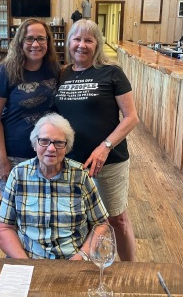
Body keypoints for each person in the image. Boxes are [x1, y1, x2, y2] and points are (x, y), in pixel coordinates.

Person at [55, 19, 139, 261]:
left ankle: (130, 270)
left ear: (97, 45)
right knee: (80, 218)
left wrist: (105, 146)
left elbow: (131, 117)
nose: (82, 45)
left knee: (117, 218)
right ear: (69, 43)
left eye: (88, 40)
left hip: (109, 160)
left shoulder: (112, 72)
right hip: (71, 162)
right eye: (77, 39)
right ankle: (85, 269)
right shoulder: (62, 74)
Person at [0, 113, 109, 259]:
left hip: (72, 261)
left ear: (66, 147)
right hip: (28, 258)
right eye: (44, 141)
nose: (51, 148)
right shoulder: (18, 175)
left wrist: (81, 257)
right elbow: (5, 228)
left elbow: (101, 224)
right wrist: (25, 262)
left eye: (58, 143)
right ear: (35, 144)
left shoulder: (81, 176)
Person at [0, 18, 60, 195]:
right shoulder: (5, 71)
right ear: (20, 41)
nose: (35, 44)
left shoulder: (54, 69)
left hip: (44, 154)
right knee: (15, 213)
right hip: (12, 155)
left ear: (48, 42)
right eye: (30, 38)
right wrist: (2, 159)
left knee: (39, 211)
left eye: (41, 39)